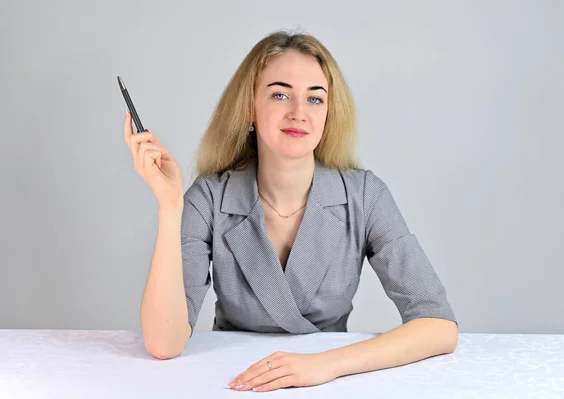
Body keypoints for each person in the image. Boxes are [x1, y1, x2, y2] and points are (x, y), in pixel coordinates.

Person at [124, 30, 458, 392]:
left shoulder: (365, 195)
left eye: (315, 99)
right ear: (249, 106)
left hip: (332, 384)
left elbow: (438, 324)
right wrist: (170, 205)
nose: (299, 113)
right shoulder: (208, 198)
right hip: (230, 382)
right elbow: (163, 343)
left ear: (329, 113)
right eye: (280, 95)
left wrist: (326, 366)